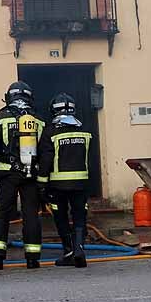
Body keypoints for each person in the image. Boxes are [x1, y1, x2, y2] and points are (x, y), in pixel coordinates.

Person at [0, 81, 45, 270]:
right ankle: (32, 258)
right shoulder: (39, 120)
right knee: (31, 214)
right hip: (31, 174)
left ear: (9, 98)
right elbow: (44, 150)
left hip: (6, 174)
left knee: (0, 213)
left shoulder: (0, 118)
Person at [38, 92, 93, 268]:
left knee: (60, 217)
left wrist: (41, 184)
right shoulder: (85, 131)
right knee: (79, 217)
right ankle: (79, 249)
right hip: (81, 184)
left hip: (57, 185)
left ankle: (69, 251)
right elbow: (90, 158)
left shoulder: (50, 132)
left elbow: (45, 160)